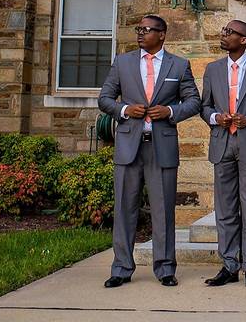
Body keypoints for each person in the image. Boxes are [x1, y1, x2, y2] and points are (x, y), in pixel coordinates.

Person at [98, 14, 201, 288]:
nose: (140, 34)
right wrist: (123, 110)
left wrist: (169, 111)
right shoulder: (123, 63)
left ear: (162, 34)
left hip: (161, 147)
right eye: (138, 29)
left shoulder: (179, 65)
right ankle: (121, 268)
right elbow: (105, 98)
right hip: (128, 146)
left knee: (163, 210)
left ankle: (165, 268)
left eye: (147, 30)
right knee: (124, 208)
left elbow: (194, 102)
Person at [201, 20, 246, 289]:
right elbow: (204, 106)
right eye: (224, 31)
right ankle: (229, 264)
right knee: (226, 209)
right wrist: (215, 117)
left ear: (244, 40)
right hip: (221, 143)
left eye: (229, 32)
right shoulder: (213, 69)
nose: (223, 34)